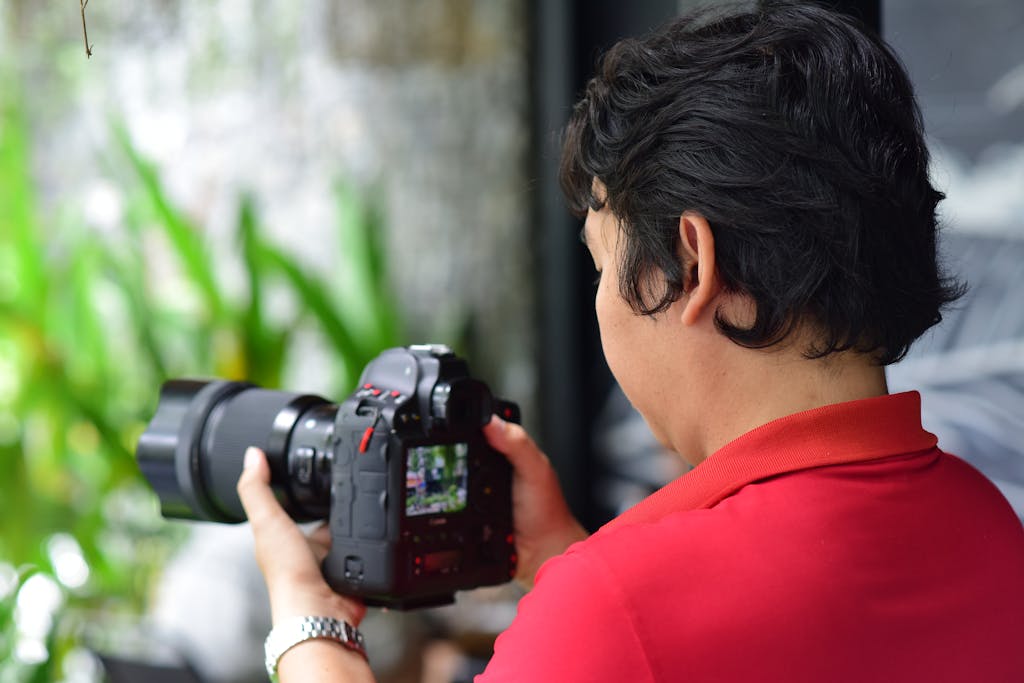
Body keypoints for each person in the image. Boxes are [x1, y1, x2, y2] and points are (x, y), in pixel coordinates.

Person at [236, 2, 1024, 681]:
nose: (603, 305)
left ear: (691, 262)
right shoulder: (986, 526)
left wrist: (312, 627)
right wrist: (565, 558)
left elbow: (649, 633)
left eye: (604, 265)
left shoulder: (616, 613)